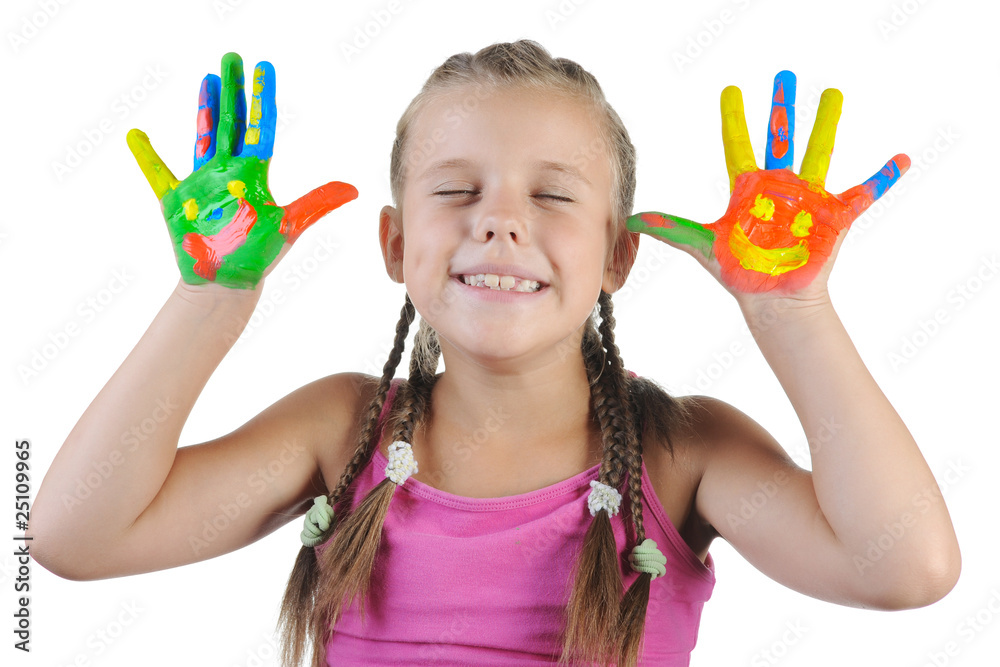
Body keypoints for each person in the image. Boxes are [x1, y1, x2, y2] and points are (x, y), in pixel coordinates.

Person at [28, 41, 961, 666]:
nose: (500, 221)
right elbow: (74, 536)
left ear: (618, 254)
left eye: (552, 196)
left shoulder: (683, 453)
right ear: (397, 245)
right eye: (456, 190)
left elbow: (906, 567)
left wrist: (792, 311)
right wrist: (211, 298)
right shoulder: (343, 430)